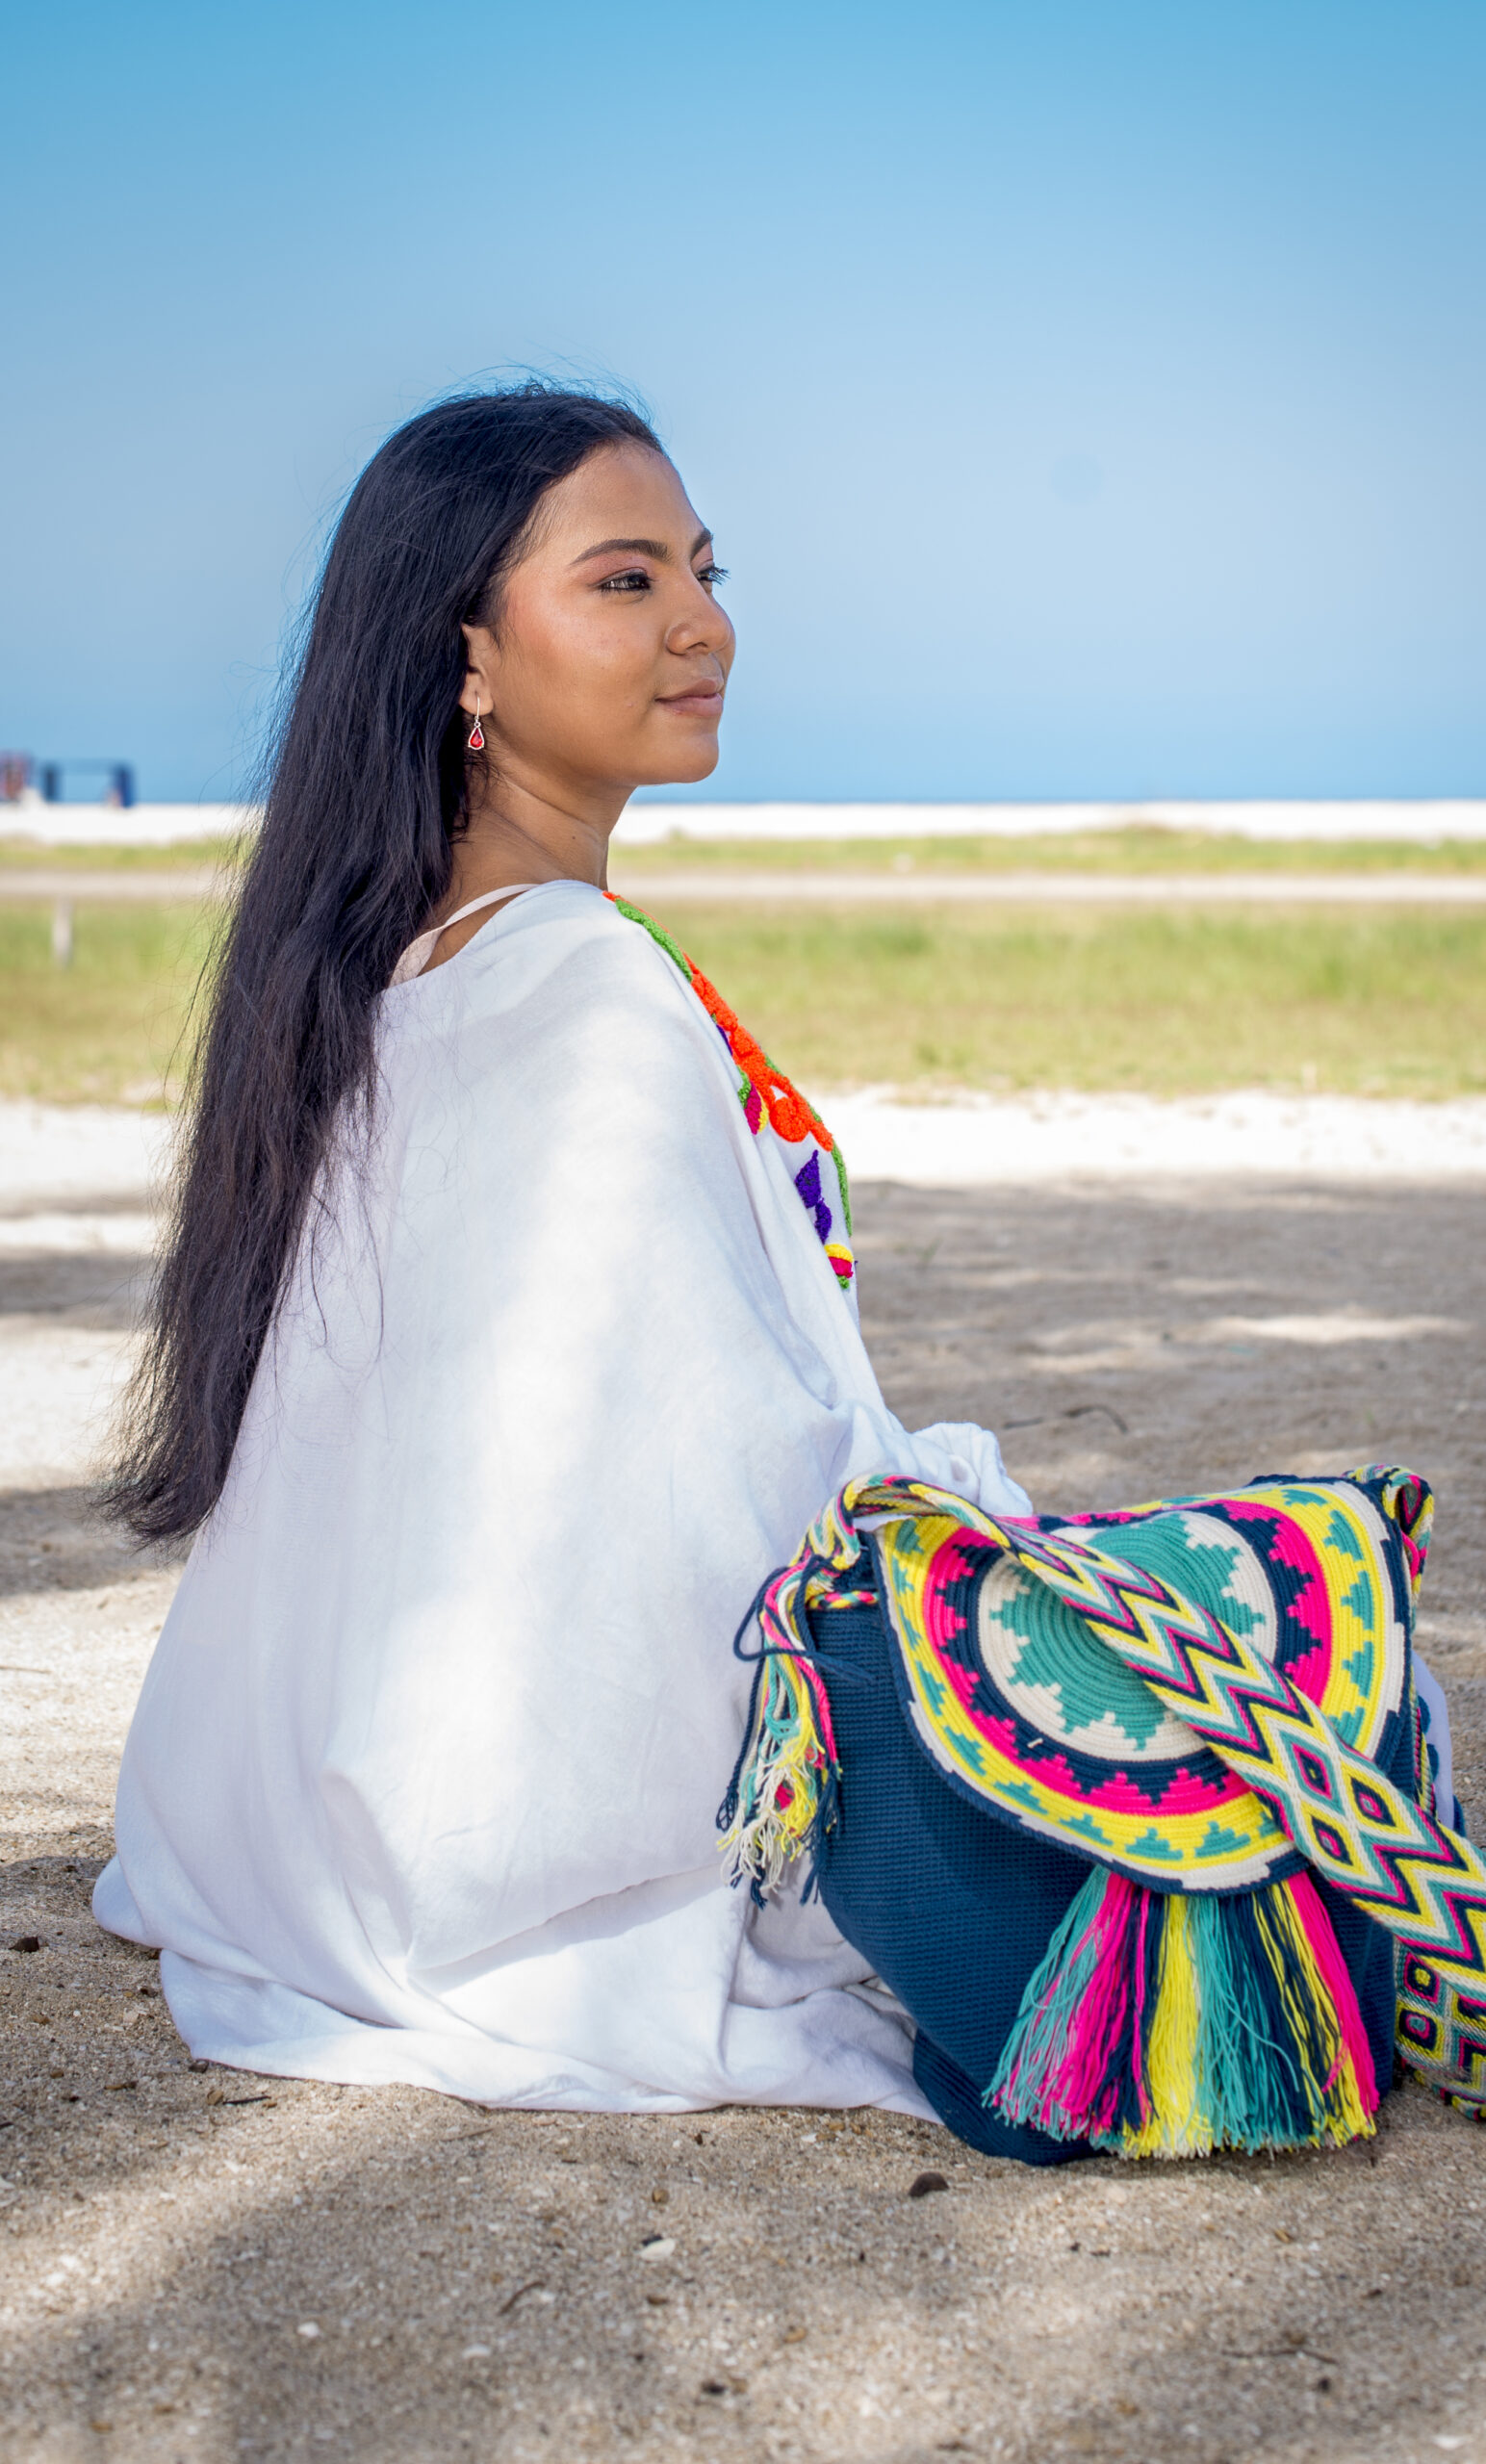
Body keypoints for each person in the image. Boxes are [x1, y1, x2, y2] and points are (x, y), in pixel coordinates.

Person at [94, 384, 1029, 2116]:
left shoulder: (401, 966)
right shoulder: (584, 988)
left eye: (702, 570)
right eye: (622, 580)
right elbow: (705, 1487)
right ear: (465, 655)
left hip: (303, 1806)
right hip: (521, 1824)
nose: (700, 624)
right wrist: (961, 1530)